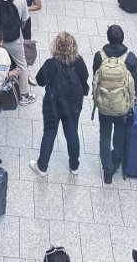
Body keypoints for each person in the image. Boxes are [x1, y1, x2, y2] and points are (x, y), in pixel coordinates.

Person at [30, 31, 89, 177]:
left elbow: (40, 81)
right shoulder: (79, 61)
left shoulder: (50, 64)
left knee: (49, 133)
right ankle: (74, 166)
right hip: (73, 105)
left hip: (53, 104)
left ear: (56, 46)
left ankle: (42, 167)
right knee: (72, 133)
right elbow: (84, 80)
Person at [92, 25, 137, 184]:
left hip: (104, 105)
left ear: (108, 38)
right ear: (122, 38)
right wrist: (134, 100)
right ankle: (117, 160)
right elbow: (136, 84)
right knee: (120, 132)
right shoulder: (130, 58)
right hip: (122, 107)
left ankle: (107, 171)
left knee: (104, 135)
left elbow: (95, 78)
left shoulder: (99, 56)